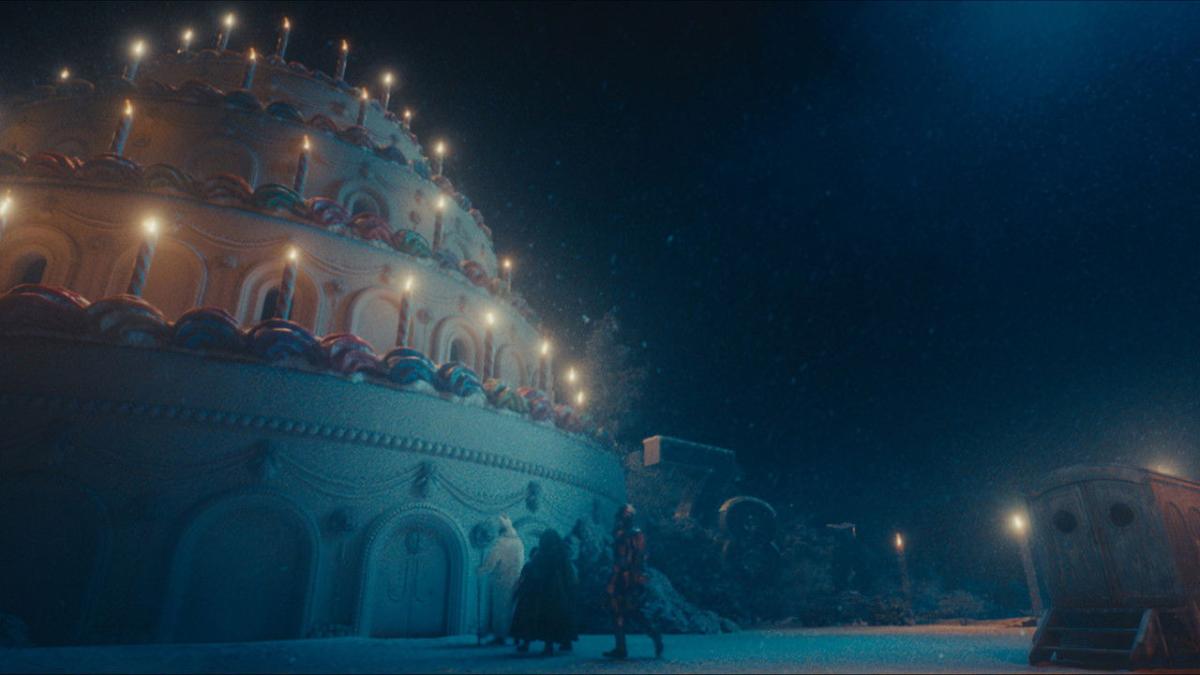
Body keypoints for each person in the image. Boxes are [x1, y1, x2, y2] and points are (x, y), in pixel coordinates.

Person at [604, 504, 663, 659]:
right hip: (626, 578)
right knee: (618, 612)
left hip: (628, 579)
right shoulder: (627, 534)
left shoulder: (631, 535)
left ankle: (654, 635)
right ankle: (621, 647)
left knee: (632, 612)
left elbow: (629, 559)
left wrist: (616, 579)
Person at [510, 528, 579, 655]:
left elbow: (533, 570)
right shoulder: (560, 554)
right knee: (554, 616)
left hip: (542, 590)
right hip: (554, 592)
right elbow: (568, 575)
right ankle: (554, 643)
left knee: (536, 615)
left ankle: (530, 643)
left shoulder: (543, 555)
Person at [477, 515, 524, 645]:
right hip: (515, 580)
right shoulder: (519, 542)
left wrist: (481, 569)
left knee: (500, 610)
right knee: (511, 609)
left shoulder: (501, 543)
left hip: (501, 581)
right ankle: (511, 635)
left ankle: (500, 636)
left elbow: (491, 563)